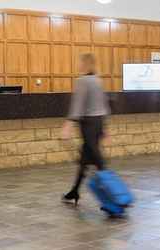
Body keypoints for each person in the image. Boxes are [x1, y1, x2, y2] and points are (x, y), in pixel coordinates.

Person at [61, 53, 111, 205]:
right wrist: (105, 129)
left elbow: (77, 105)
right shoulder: (98, 80)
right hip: (99, 123)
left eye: (80, 62)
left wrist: (68, 126)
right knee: (85, 159)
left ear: (85, 64)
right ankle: (75, 191)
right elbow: (104, 105)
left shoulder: (81, 81)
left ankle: (112, 193)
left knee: (98, 160)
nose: (78, 65)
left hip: (88, 124)